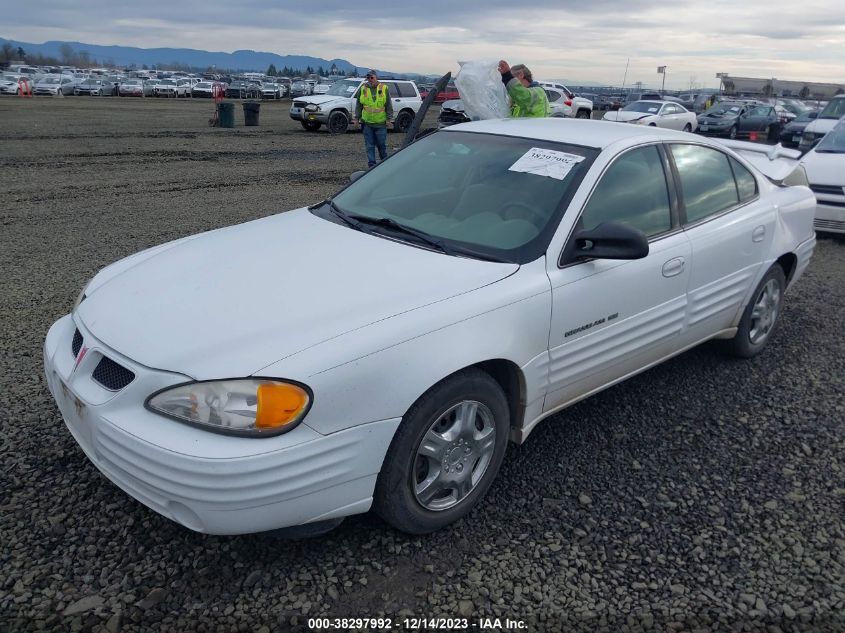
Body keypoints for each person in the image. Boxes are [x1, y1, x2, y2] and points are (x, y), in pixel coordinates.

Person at [352, 70, 394, 168]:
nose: (370, 80)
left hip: (380, 124)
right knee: (369, 145)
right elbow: (359, 105)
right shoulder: (363, 89)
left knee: (381, 145)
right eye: (368, 78)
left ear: (376, 78)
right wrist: (357, 119)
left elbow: (388, 104)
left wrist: (389, 119)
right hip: (367, 124)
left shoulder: (384, 88)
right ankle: (371, 165)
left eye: (372, 77)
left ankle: (384, 162)